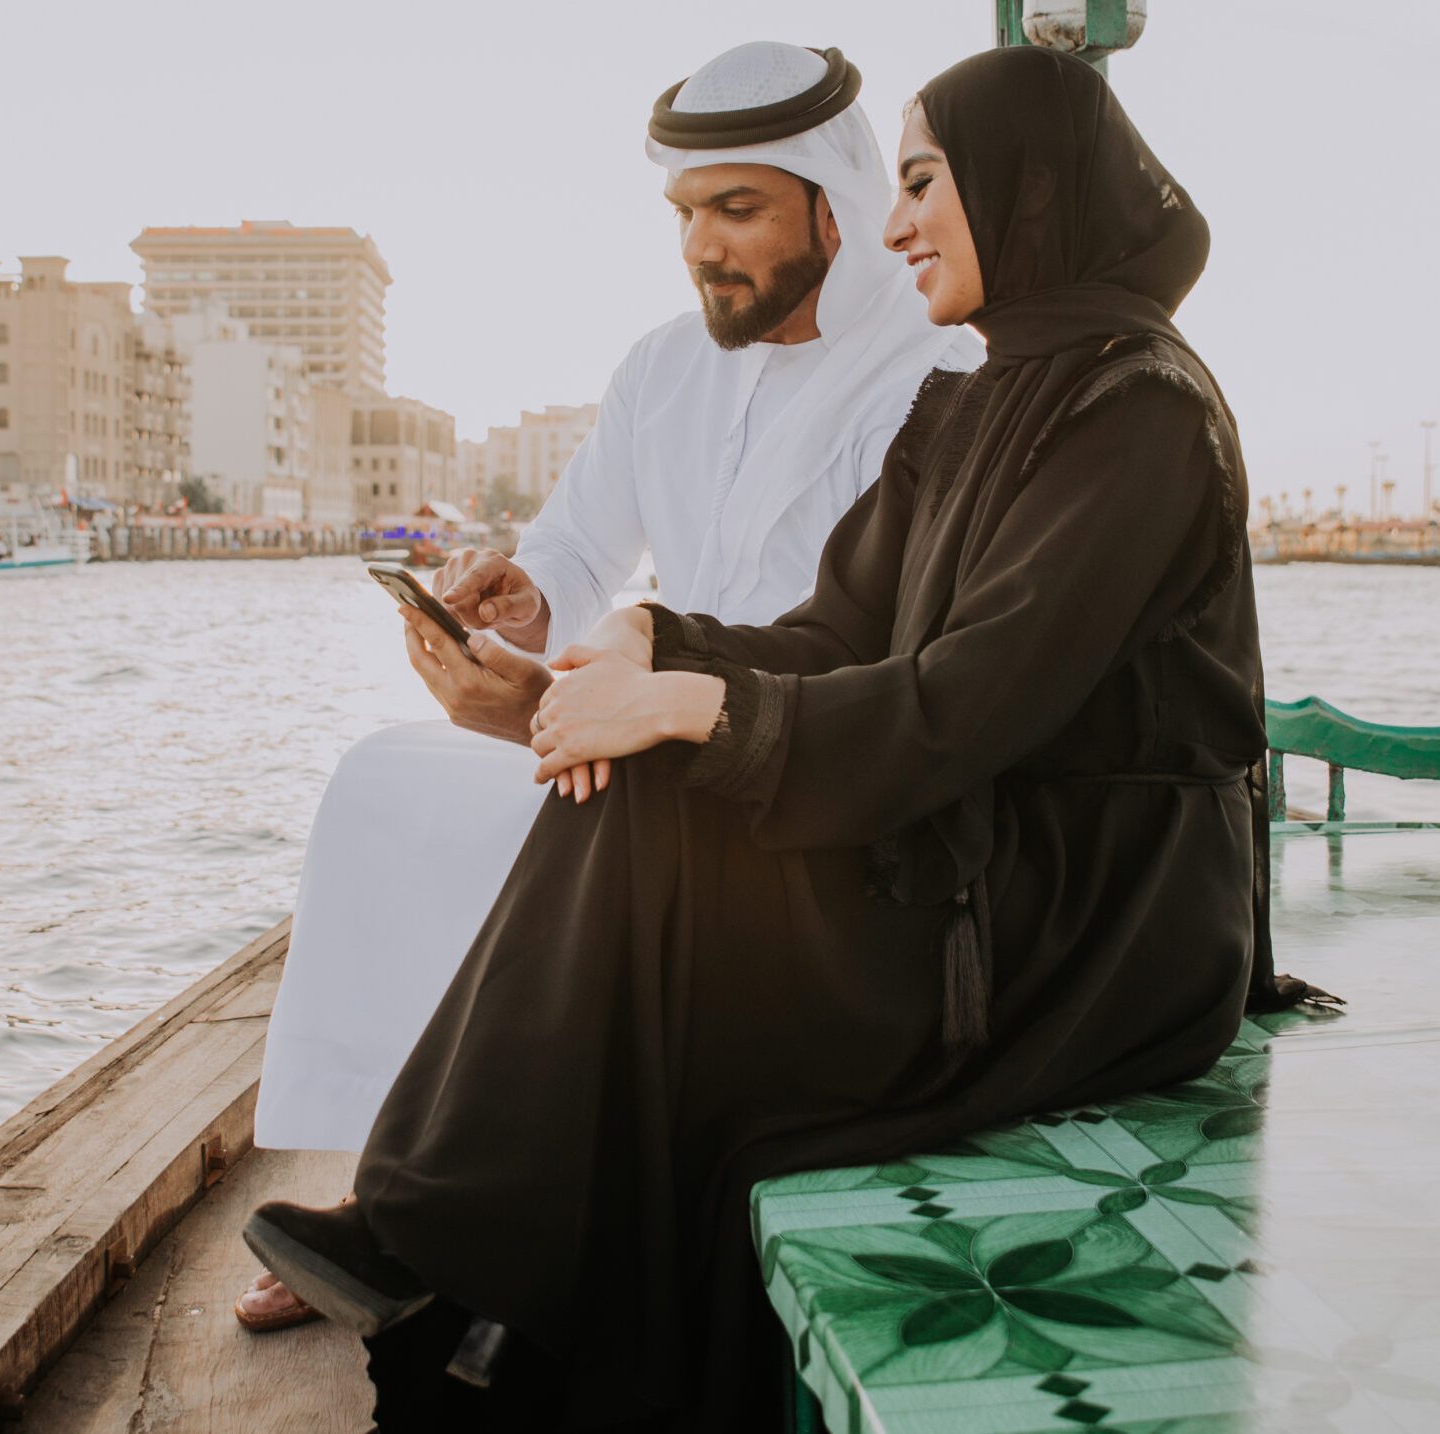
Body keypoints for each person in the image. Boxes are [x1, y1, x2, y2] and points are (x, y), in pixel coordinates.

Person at [243, 45, 1325, 1429]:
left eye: (924, 186)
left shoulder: (1143, 414)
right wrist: (651, 644)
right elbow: (835, 629)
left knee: (667, 833)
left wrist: (689, 705)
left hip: (1100, 924)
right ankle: (461, 1255)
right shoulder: (977, 402)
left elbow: (960, 703)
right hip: (981, 855)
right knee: (640, 793)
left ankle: (460, 1257)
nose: (896, 225)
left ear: (1030, 190)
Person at [240, 40, 983, 1332]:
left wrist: (583, 700)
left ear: (837, 206)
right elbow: (579, 550)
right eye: (684, 214)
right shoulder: (662, 368)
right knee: (385, 781)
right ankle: (388, 1182)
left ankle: (448, 1225)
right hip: (638, 710)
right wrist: (517, 605)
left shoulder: (931, 373)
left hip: (777, 760)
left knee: (559, 804)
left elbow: (865, 649)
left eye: (736, 210)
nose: (701, 247)